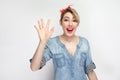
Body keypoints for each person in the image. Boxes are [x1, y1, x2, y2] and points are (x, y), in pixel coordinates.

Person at [30, 5, 98, 80]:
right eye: (66, 20)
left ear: (77, 24)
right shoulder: (53, 43)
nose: (70, 24)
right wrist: (42, 42)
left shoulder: (84, 43)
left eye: (74, 20)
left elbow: (90, 71)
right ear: (61, 22)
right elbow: (34, 67)